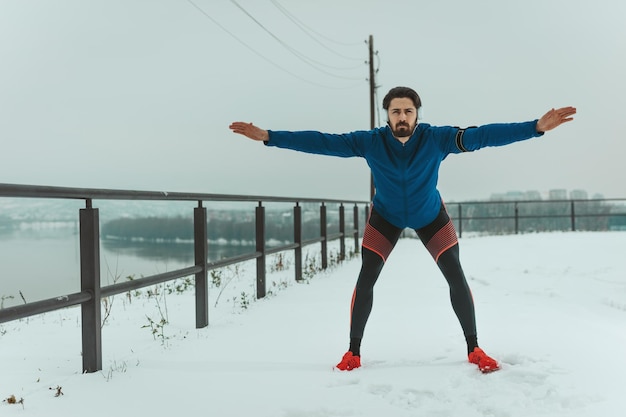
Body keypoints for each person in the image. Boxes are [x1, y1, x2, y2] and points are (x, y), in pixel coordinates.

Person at [229, 86, 576, 373]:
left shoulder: (436, 139)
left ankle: (474, 349)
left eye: (408, 111)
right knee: (367, 277)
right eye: (396, 112)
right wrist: (269, 137)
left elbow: (482, 135)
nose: (402, 118)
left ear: (417, 114)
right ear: (388, 116)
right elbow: (323, 142)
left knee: (455, 274)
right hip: (387, 217)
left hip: (430, 216)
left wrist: (535, 128)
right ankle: (353, 352)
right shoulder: (370, 142)